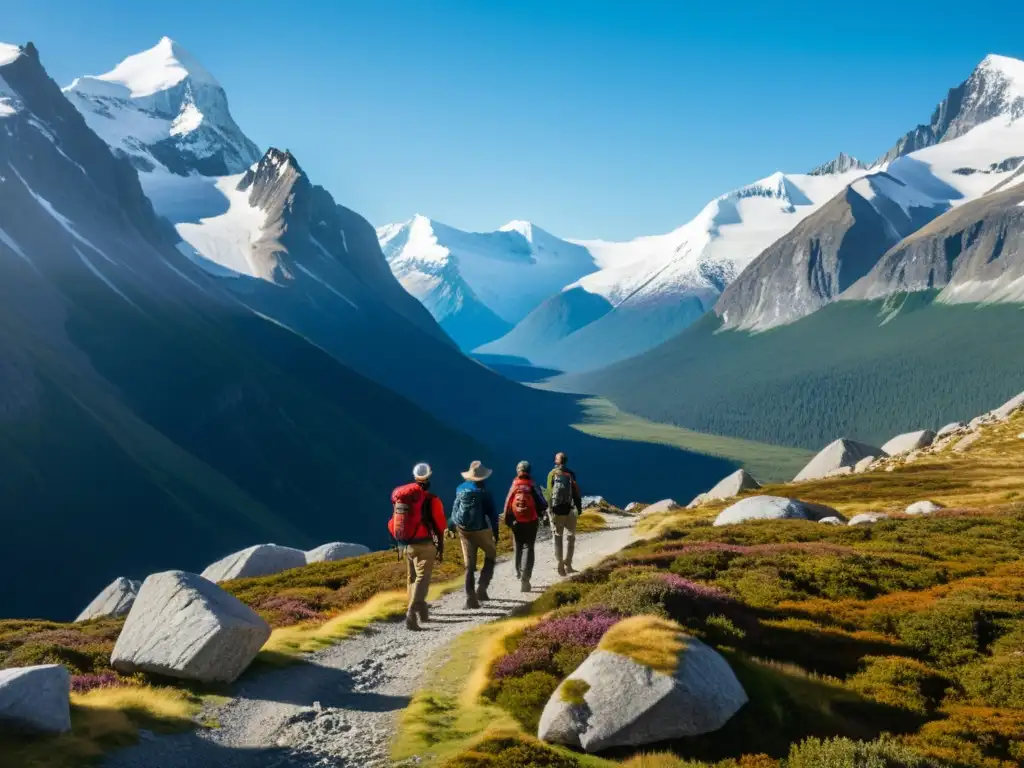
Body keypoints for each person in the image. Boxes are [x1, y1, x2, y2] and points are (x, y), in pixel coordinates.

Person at [389, 463, 446, 631]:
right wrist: (440, 546)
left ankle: (421, 610)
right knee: (423, 578)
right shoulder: (431, 499)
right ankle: (411, 613)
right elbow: (440, 525)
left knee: (412, 578)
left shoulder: (404, 498)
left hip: (406, 544)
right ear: (428, 478)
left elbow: (393, 521)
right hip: (424, 544)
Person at [450, 460, 499, 609]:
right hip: (482, 530)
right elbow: (492, 514)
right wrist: (496, 533)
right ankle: (482, 590)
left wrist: (451, 527)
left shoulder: (460, 489)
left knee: (469, 566)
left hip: (464, 531)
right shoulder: (485, 492)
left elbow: (455, 510)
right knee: (491, 554)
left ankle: (470, 599)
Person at [503, 460, 548, 592]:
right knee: (529, 547)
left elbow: (507, 503)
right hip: (531, 521)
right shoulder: (532, 484)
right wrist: (542, 514)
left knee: (518, 545)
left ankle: (518, 571)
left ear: (518, 470)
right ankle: (525, 578)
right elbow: (542, 502)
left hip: (517, 521)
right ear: (529, 471)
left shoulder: (515, 484)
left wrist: (508, 521)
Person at [546, 452, 582, 576]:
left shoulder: (551, 474)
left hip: (557, 511)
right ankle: (569, 564)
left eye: (555, 458)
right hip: (569, 510)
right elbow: (576, 493)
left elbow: (549, 494)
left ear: (557, 461)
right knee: (571, 536)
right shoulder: (571, 474)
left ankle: (560, 564)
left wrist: (549, 510)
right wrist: (579, 507)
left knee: (557, 537)